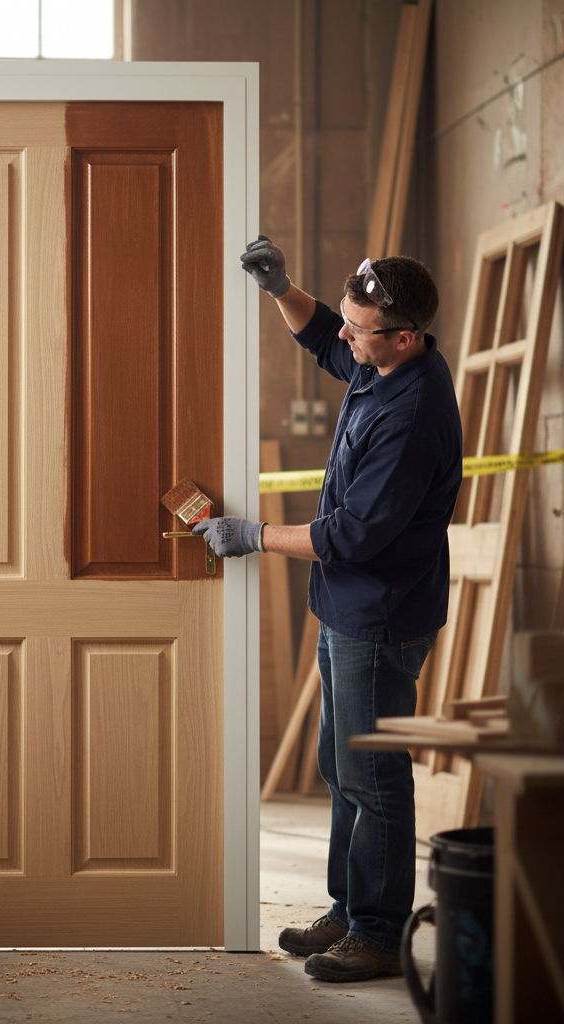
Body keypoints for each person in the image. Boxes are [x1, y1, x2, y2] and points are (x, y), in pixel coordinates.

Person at [194, 237, 463, 983]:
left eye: (359, 326)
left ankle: (377, 933)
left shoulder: (411, 414)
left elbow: (351, 535)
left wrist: (253, 535)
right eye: (347, 320)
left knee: (371, 776)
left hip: (379, 615)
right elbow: (326, 342)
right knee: (339, 766)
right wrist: (283, 290)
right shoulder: (384, 360)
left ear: (402, 336)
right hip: (348, 609)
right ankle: (349, 912)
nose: (346, 335)